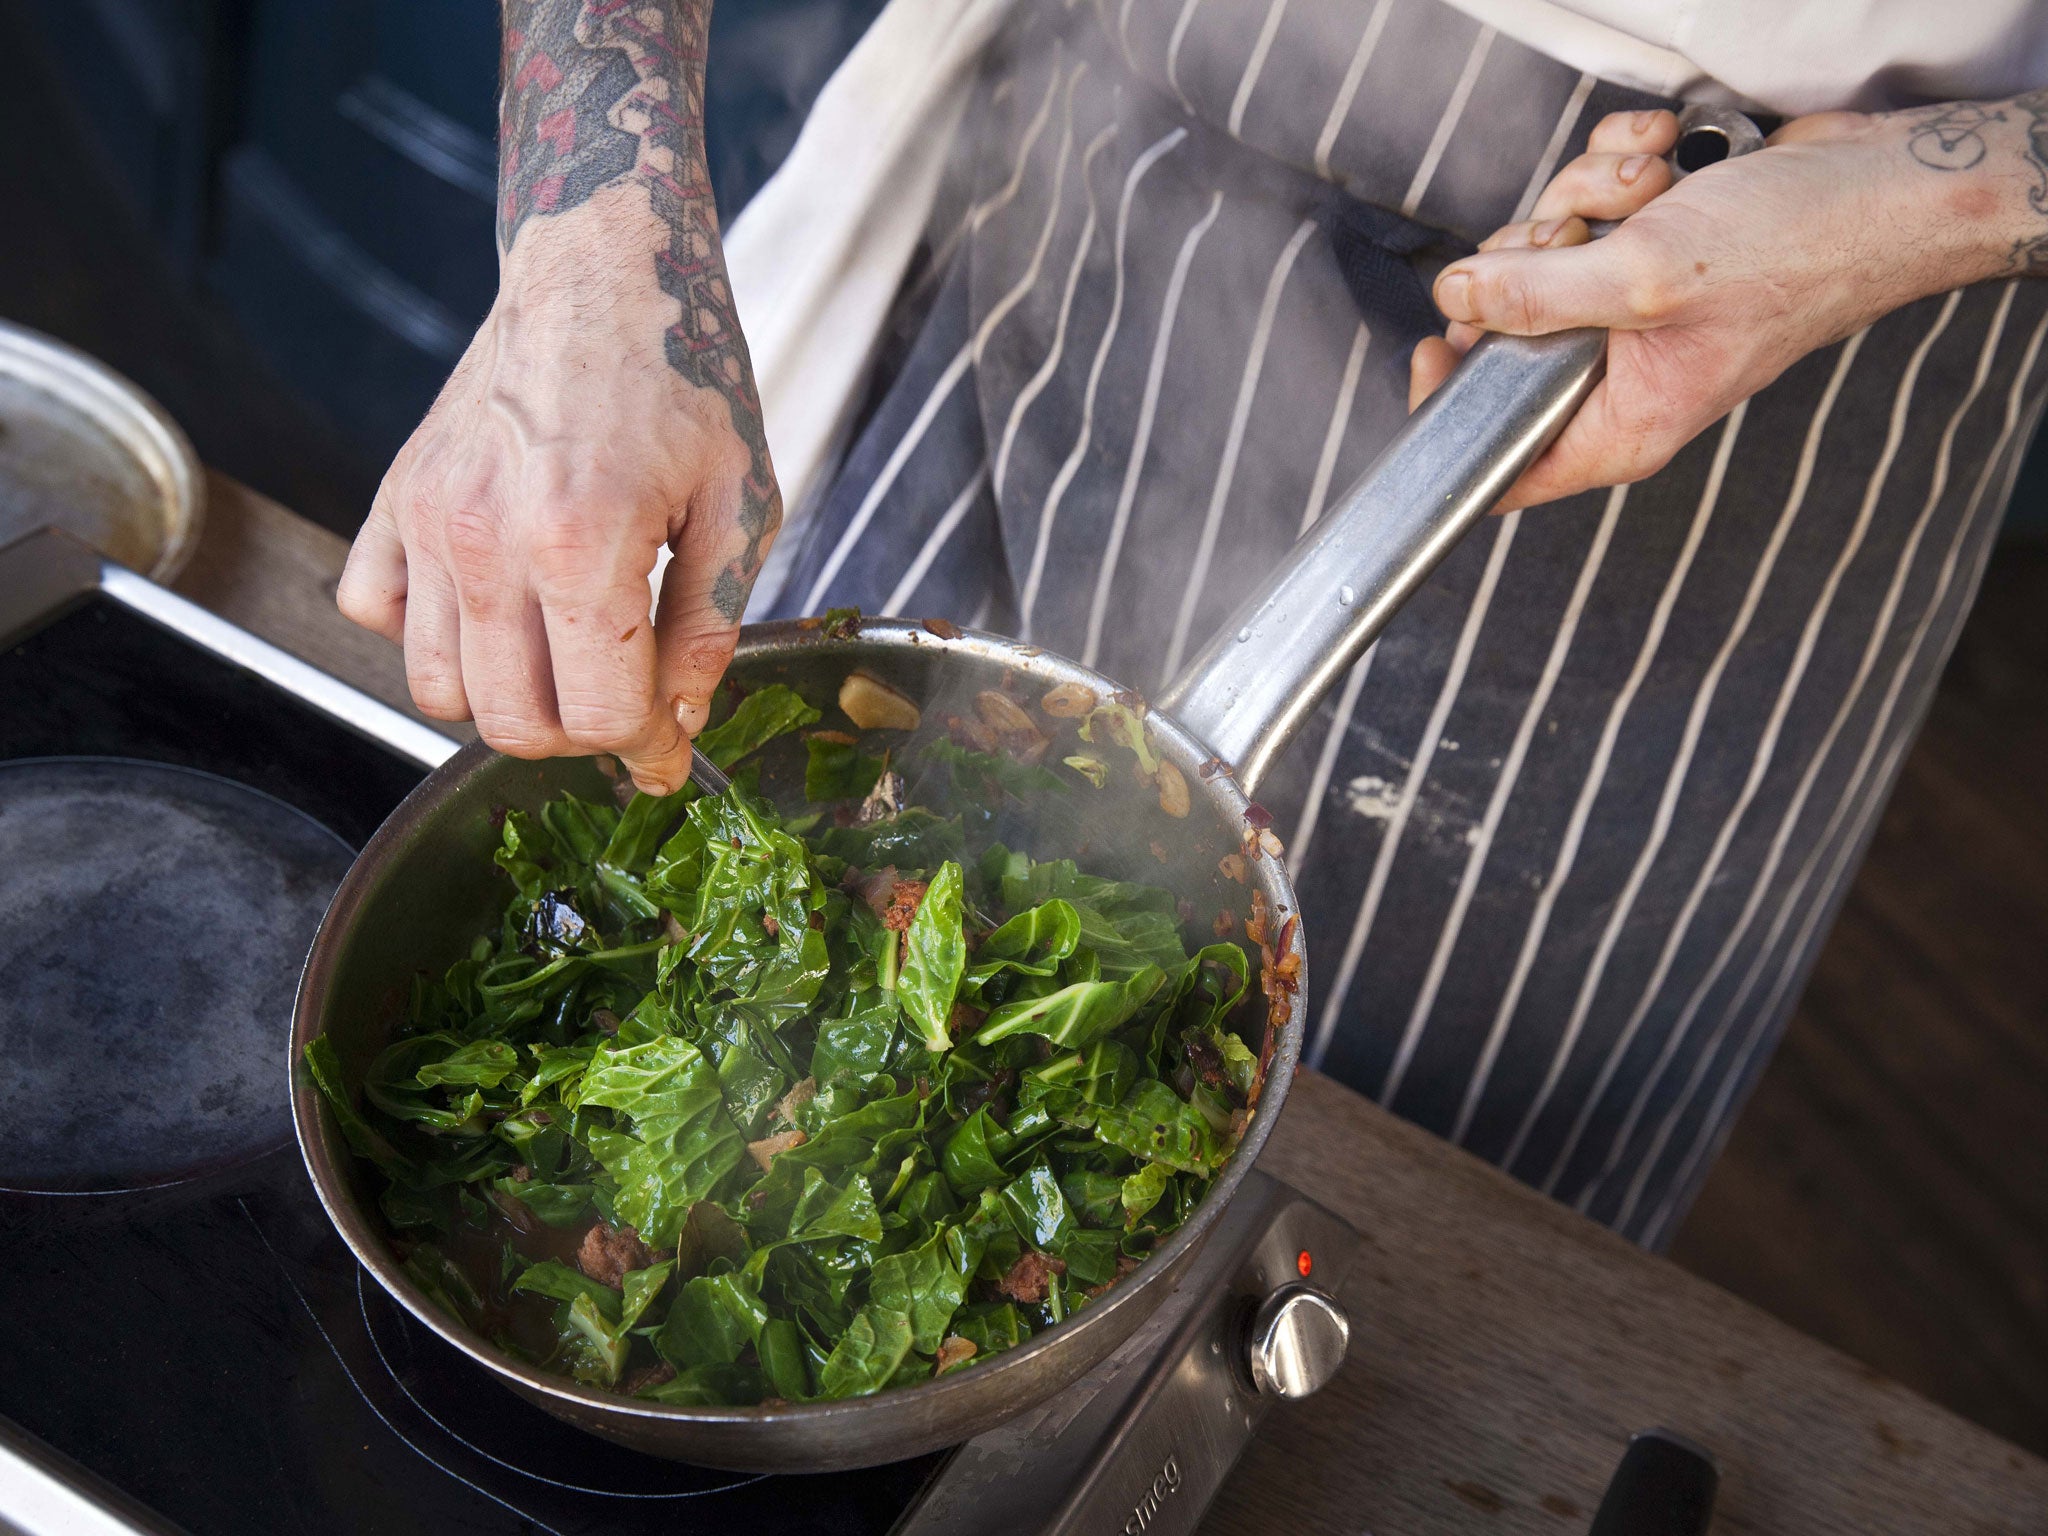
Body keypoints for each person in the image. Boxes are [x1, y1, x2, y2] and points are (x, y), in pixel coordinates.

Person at [337, 0, 2048, 1244]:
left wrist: (1944, 192)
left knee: (1441, 1249)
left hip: (1822, 274)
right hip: (1115, 114)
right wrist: (585, 242)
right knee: (826, 789)